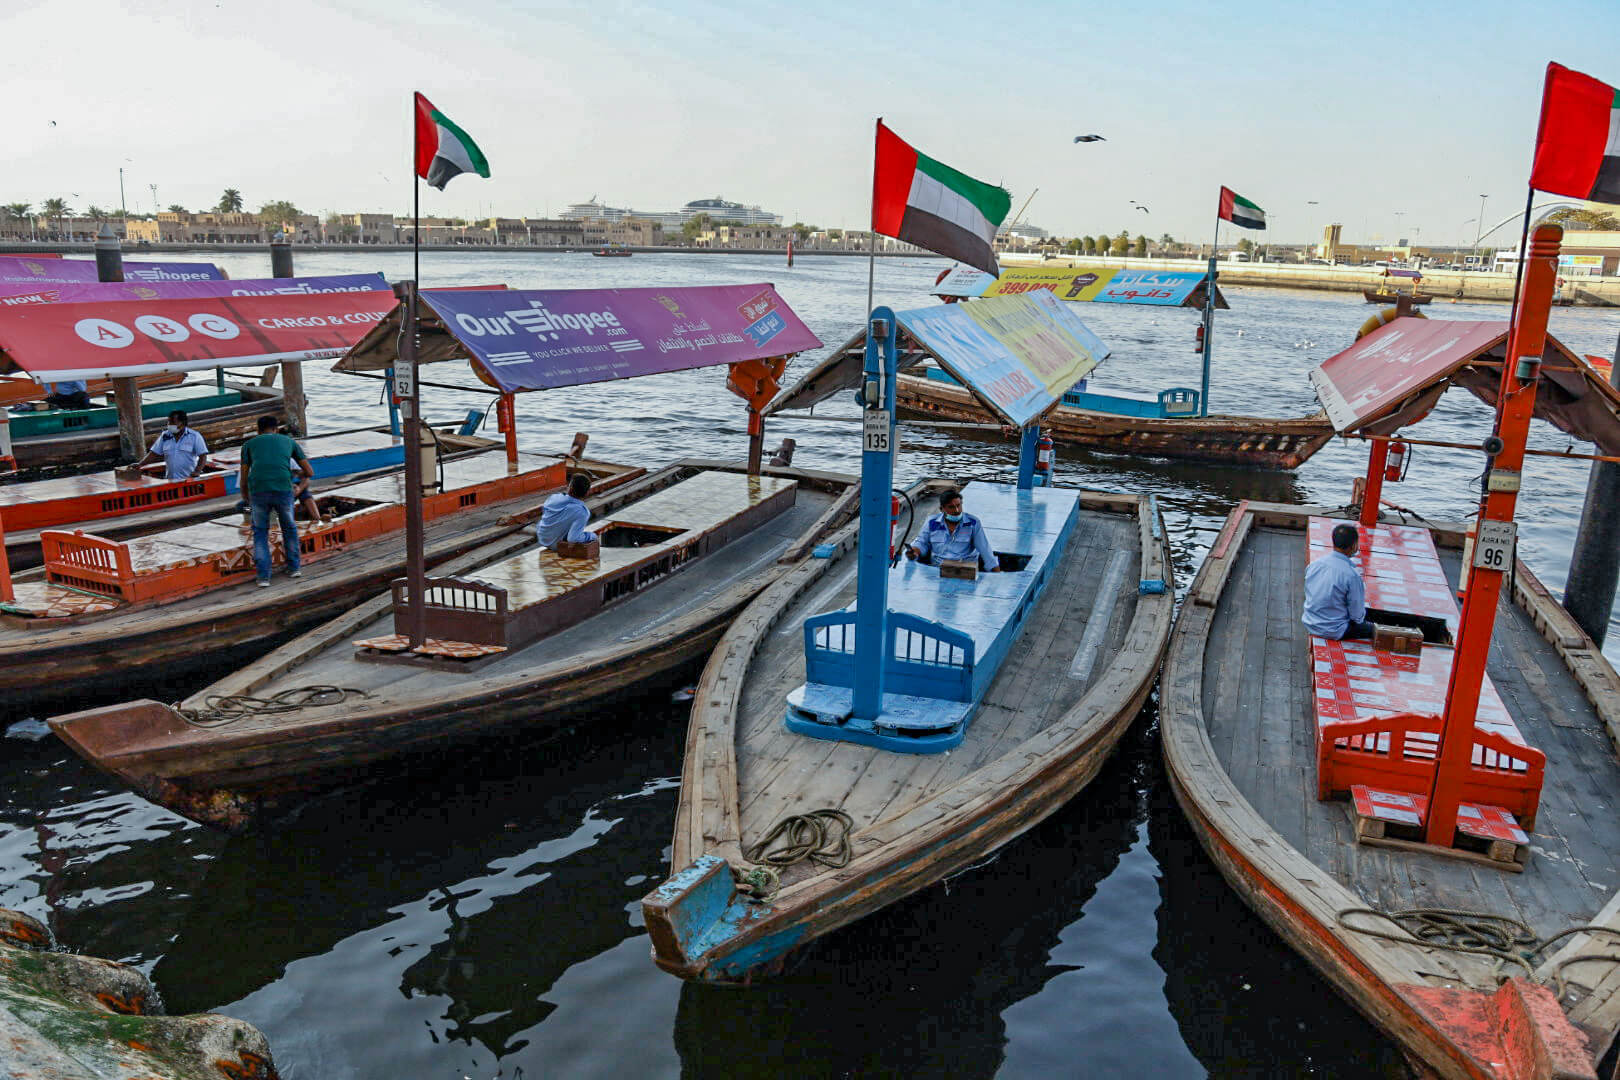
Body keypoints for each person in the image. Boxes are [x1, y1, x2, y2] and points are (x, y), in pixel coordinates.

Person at [239, 415, 312, 587]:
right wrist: (295, 478)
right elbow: (309, 471)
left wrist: (245, 496)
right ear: (276, 429)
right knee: (289, 528)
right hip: (283, 489)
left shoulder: (248, 445)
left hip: (258, 491)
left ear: (258, 430)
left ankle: (264, 577)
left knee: (260, 532)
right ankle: (294, 568)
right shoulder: (289, 441)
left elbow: (244, 476)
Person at [1303, 523, 1374, 640]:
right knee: (1371, 627)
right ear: (1354, 546)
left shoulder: (1314, 565)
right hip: (1334, 630)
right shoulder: (1352, 575)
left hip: (1310, 622)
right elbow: (1357, 616)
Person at [905, 487, 999, 571]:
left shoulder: (973, 523)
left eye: (958, 505)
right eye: (951, 507)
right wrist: (914, 552)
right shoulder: (932, 523)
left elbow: (985, 550)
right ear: (942, 509)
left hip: (966, 570)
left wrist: (996, 574)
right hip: (937, 570)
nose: (957, 510)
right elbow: (922, 543)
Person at [136, 410, 209, 480]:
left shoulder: (194, 436)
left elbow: (203, 456)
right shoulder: (165, 435)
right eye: (168, 422)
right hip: (170, 480)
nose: (169, 425)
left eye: (172, 422)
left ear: (182, 423)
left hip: (188, 479)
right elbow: (153, 454)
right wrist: (140, 464)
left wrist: (197, 471)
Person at [535, 473, 596, 549]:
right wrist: (591, 536)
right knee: (586, 536)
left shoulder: (554, 497)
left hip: (541, 537)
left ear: (569, 488)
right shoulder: (582, 512)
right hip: (555, 545)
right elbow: (573, 539)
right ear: (587, 493)